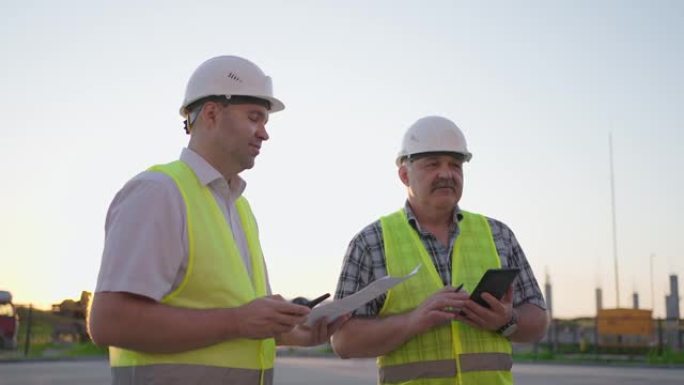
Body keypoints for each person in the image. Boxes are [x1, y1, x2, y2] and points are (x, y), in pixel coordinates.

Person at [88, 55, 347, 385]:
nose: (264, 133)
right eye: (255, 117)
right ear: (211, 113)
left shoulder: (241, 209)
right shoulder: (157, 193)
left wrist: (295, 333)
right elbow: (111, 322)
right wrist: (238, 321)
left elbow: (237, 324)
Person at [331, 116, 548, 385]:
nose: (446, 173)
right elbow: (343, 341)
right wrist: (412, 321)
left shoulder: (499, 235)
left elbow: (538, 321)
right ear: (404, 174)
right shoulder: (371, 242)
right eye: (433, 164)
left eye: (455, 165)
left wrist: (507, 320)